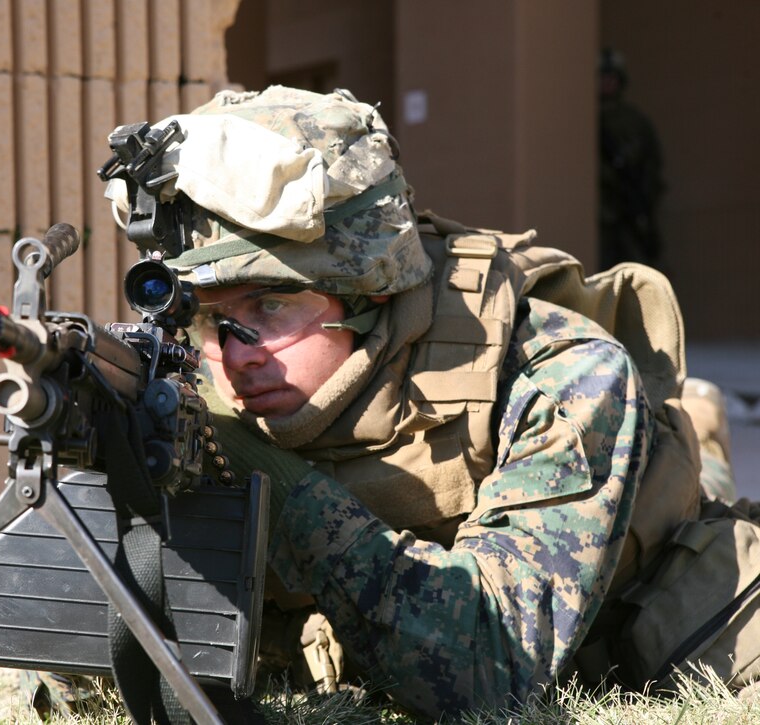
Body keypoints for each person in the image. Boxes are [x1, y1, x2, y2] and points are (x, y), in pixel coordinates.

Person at [97, 85, 740, 718]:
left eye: (269, 307)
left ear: (366, 294)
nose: (235, 357)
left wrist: (277, 485)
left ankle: (703, 425)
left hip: (629, 554)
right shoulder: (195, 383)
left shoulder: (559, 375)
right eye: (208, 319)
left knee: (692, 461)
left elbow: (489, 673)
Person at [598, 48, 666, 271]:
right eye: (602, 77)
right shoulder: (587, 118)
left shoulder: (635, 122)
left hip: (629, 215)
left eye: (611, 78)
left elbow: (652, 166)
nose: (607, 83)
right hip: (602, 217)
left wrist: (643, 200)